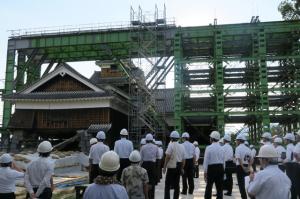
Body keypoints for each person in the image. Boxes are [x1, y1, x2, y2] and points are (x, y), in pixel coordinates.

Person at [163, 131, 186, 199]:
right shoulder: (182, 146)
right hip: (179, 166)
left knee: (167, 184)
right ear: (178, 138)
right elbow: (184, 160)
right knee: (177, 184)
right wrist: (182, 168)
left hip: (171, 166)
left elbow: (167, 156)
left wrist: (164, 167)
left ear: (171, 138)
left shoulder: (171, 145)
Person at [203, 131, 225, 199]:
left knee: (209, 187)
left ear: (212, 139)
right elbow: (223, 161)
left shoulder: (209, 148)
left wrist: (205, 172)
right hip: (220, 168)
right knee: (219, 188)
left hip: (211, 168)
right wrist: (223, 170)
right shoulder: (222, 148)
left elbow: (206, 161)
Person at [140, 133, 159, 199]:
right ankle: (152, 197)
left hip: (145, 165)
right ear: (152, 140)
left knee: (144, 181)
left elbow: (141, 158)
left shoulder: (143, 147)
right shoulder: (156, 147)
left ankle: (145, 196)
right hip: (152, 165)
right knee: (152, 181)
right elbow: (157, 157)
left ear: (146, 140)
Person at [235, 134, 252, 199]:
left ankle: (244, 197)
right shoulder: (248, 149)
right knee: (248, 183)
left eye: (236, 140)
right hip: (247, 166)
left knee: (241, 184)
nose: (236, 142)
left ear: (239, 141)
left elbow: (238, 159)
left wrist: (243, 167)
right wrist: (248, 167)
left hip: (240, 167)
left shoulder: (238, 148)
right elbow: (251, 159)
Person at [283, 132, 297, 199]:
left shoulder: (288, 147)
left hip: (290, 166)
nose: (284, 140)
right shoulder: (294, 146)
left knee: (290, 182)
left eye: (285, 139)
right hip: (294, 165)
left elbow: (288, 158)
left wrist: (283, 161)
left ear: (288, 140)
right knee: (294, 182)